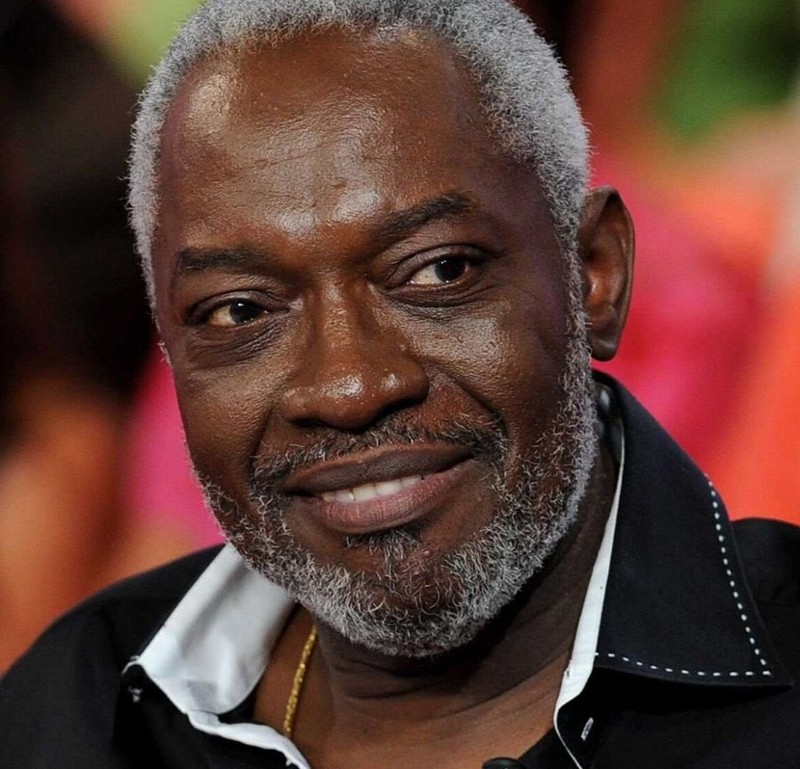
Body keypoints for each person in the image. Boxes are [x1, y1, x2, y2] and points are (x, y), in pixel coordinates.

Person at [2, 1, 799, 767]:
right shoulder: (71, 709)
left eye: (438, 271)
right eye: (240, 310)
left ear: (595, 275)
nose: (348, 387)